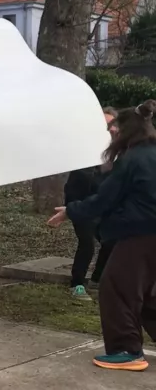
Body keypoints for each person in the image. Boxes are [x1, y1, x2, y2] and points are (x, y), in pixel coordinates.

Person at [48, 100, 156, 372]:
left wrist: (71, 210)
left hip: (140, 234)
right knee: (148, 293)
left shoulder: (132, 159)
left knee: (116, 287)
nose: (111, 135)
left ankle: (127, 350)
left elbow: (105, 199)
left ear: (125, 131)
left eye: (112, 130)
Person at [64, 107, 118, 301]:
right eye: (104, 125)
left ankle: (97, 279)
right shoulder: (85, 148)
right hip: (80, 202)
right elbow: (82, 178)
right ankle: (77, 284)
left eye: (111, 125)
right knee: (87, 242)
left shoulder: (120, 152)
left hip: (102, 205)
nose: (109, 129)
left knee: (111, 239)